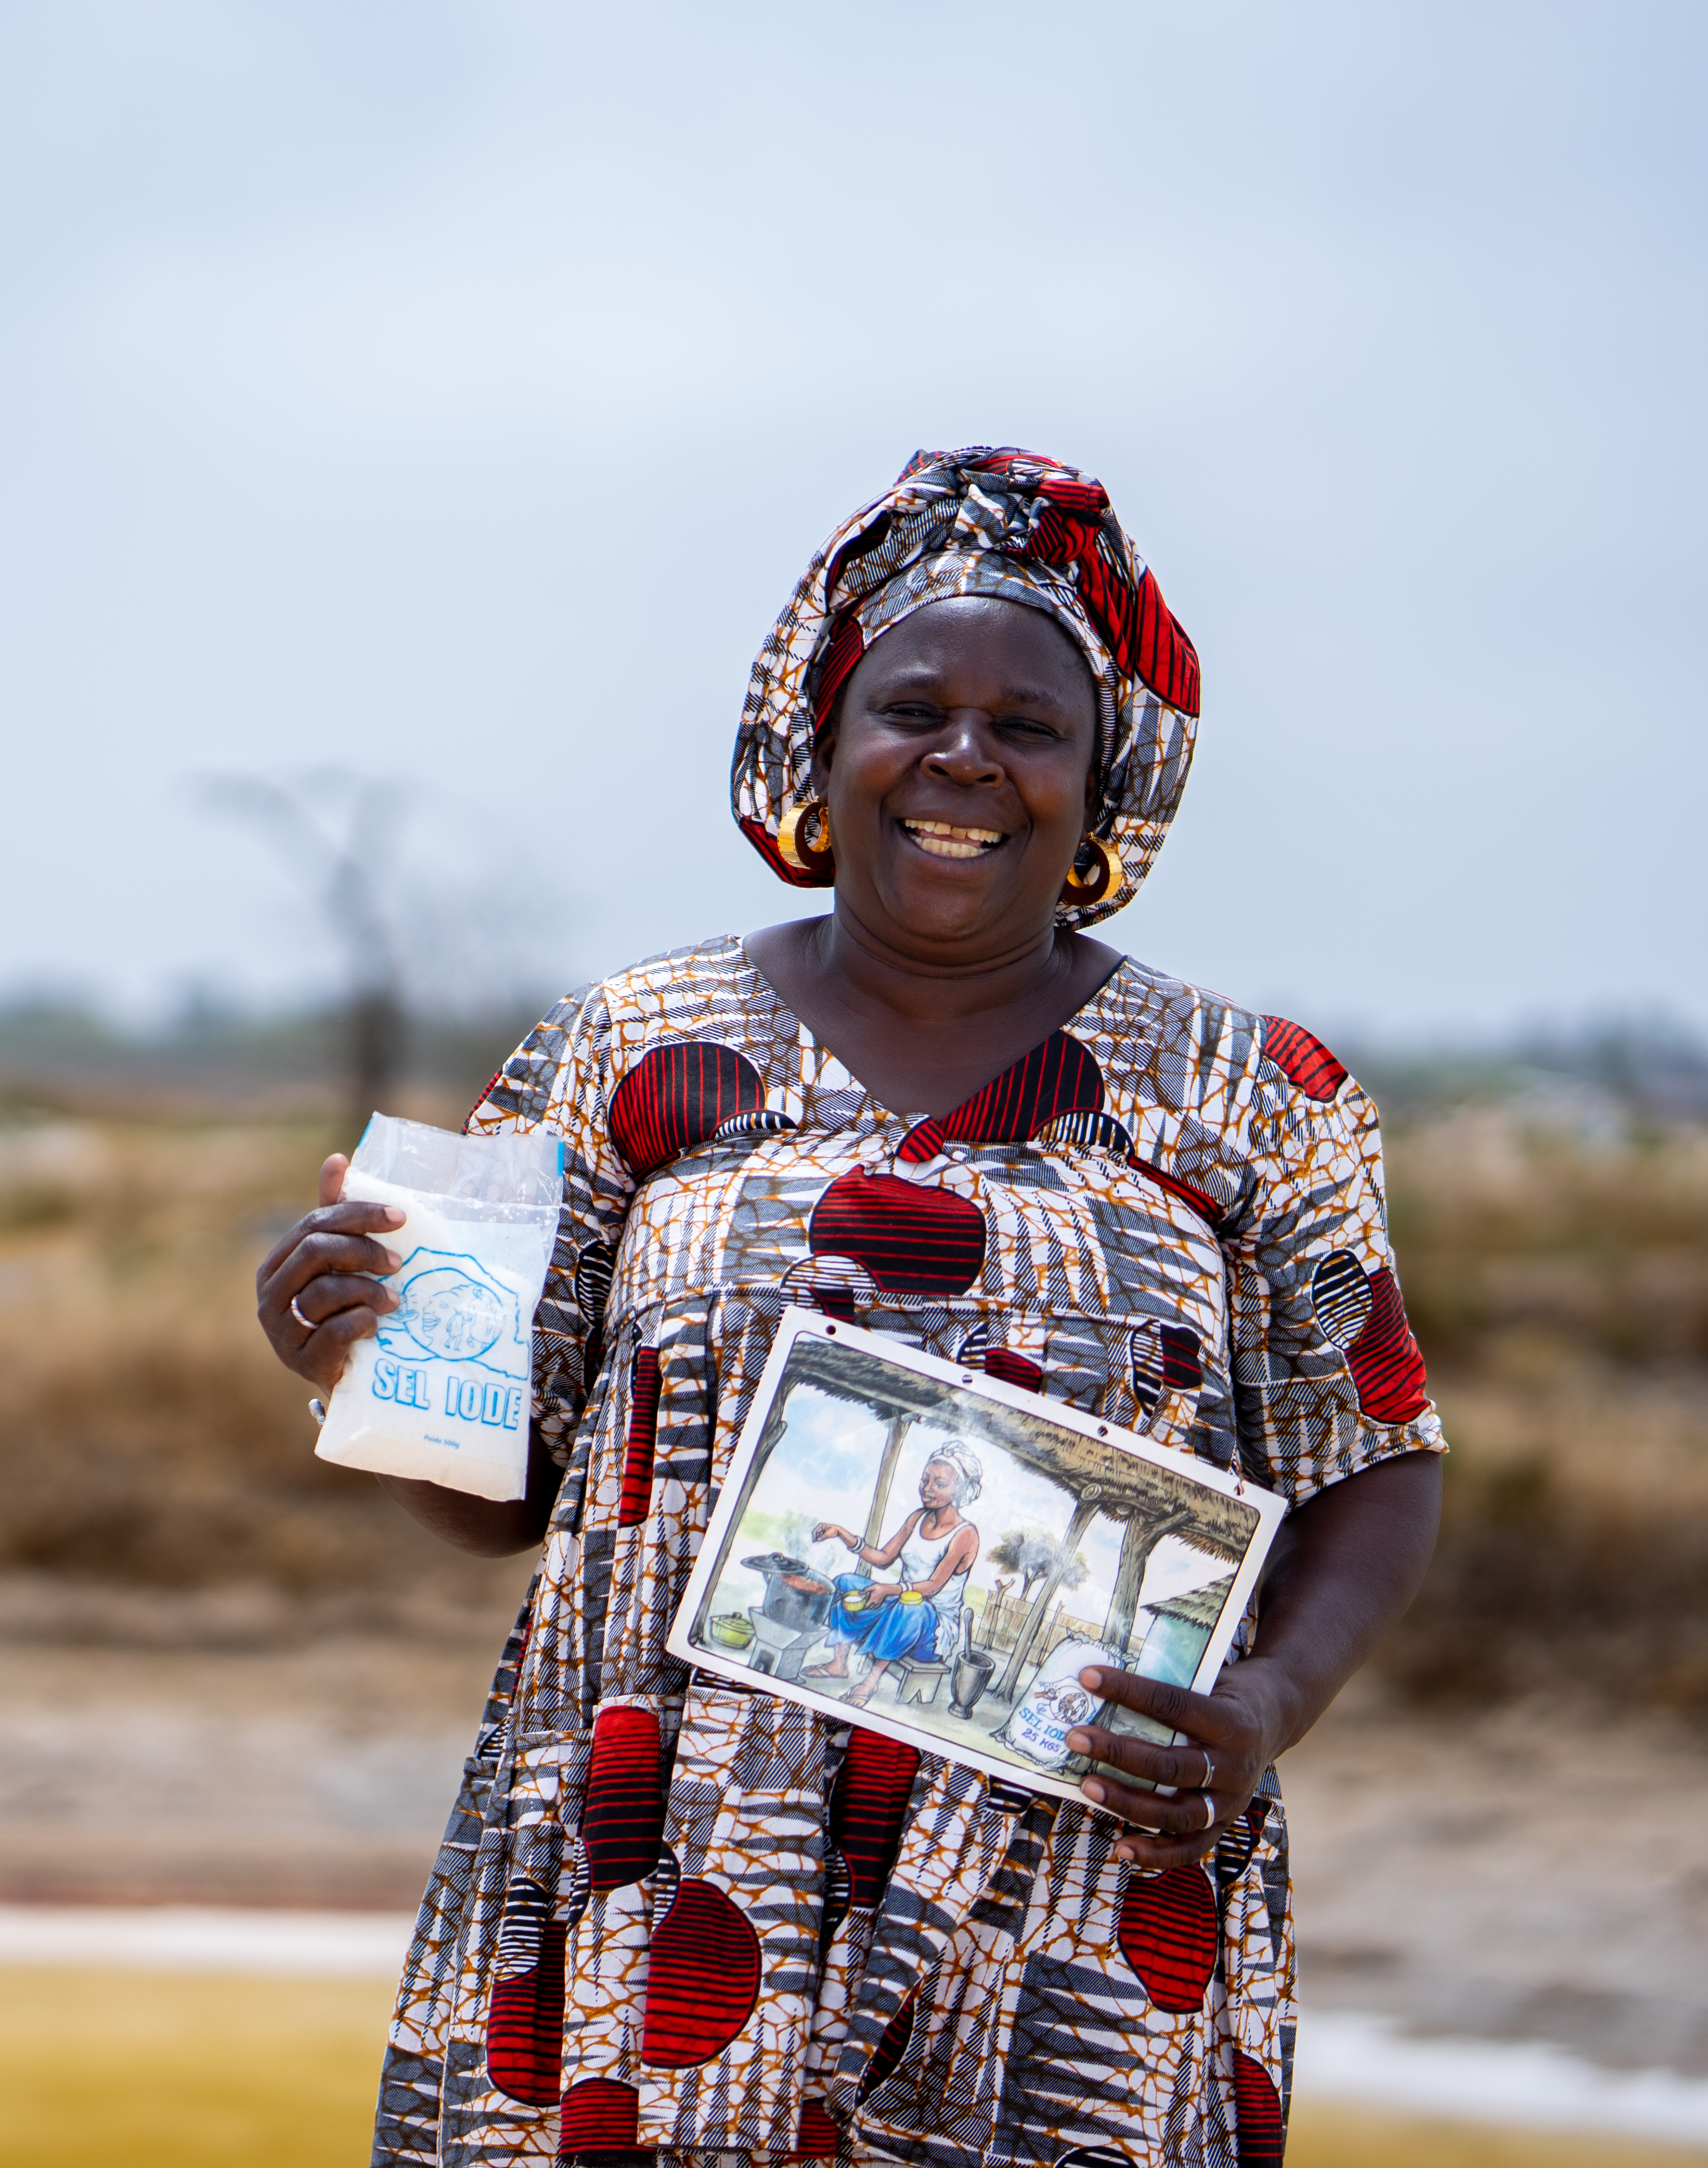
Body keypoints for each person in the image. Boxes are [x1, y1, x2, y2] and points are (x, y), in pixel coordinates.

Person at [254, 447, 1445, 2167]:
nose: (963, 758)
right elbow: (490, 1495)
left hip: (1065, 1908)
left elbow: (1375, 1452)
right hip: (650, 1875)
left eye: (1027, 726)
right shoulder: (625, 1052)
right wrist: (352, 1346)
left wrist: (1264, 1707)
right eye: (911, 706)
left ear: (1100, 780)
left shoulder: (1250, 1092)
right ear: (816, 741)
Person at [804, 1440, 982, 1711]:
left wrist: (888, 1590)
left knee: (911, 1608)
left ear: (959, 1488)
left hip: (931, 1626)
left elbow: (933, 1587)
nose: (927, 1488)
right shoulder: (917, 1517)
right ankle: (839, 1664)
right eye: (925, 1480)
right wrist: (842, 1533)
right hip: (900, 1600)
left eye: (939, 1484)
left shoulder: (965, 1533)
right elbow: (885, 1558)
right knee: (845, 1583)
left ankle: (870, 1682)